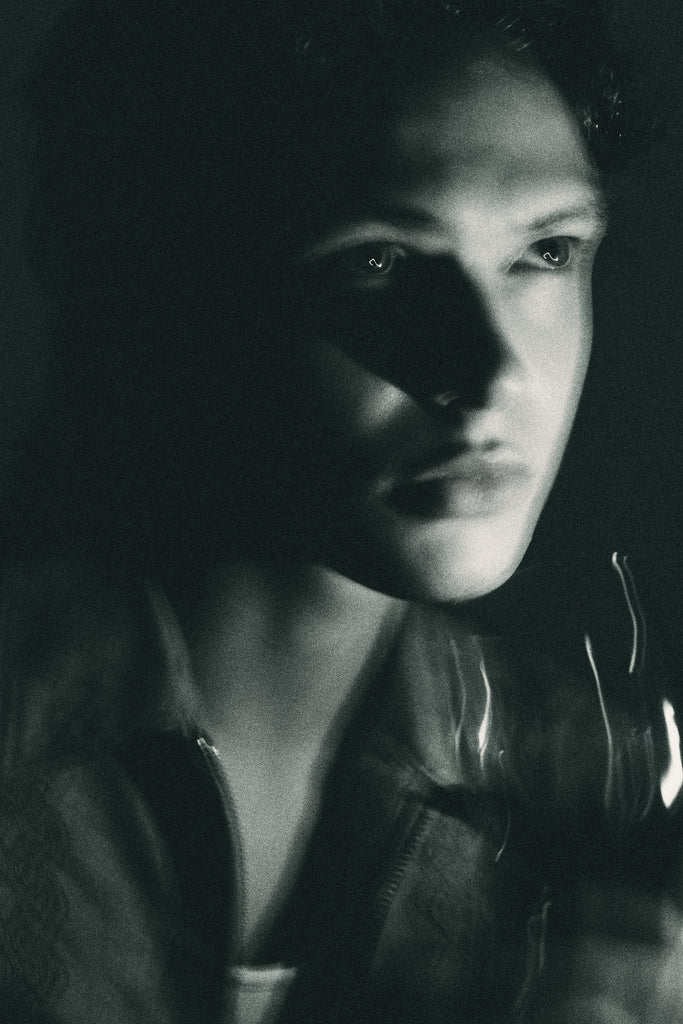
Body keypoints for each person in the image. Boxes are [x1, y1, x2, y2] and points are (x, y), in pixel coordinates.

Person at [1, 0, 681, 1021]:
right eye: (379, 262)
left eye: (545, 251)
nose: (489, 371)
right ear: (171, 285)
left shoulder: (557, 792)